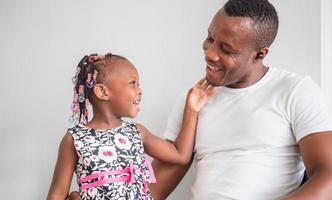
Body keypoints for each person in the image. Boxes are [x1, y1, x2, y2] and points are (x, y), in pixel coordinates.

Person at [150, 0, 332, 200]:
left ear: (259, 54)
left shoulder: (295, 91)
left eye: (226, 50)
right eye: (210, 38)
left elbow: (328, 176)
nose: (210, 54)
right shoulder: (195, 99)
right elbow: (152, 189)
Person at [47, 53, 215, 200]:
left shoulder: (137, 132)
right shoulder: (75, 139)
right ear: (103, 92)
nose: (140, 90)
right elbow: (56, 194)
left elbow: (180, 155)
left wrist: (191, 110)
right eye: (133, 83)